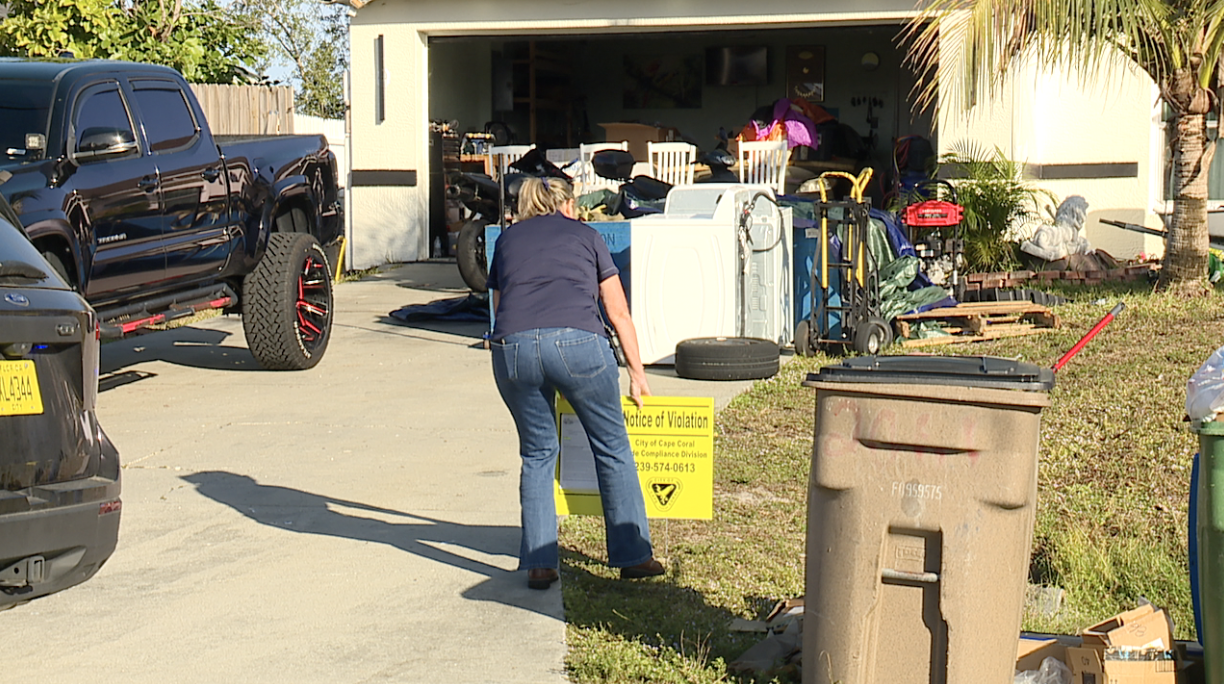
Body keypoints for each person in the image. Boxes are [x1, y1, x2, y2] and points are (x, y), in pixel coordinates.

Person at [486, 176, 665, 590]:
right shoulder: (587, 236)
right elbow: (618, 311)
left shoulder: (507, 240)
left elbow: (499, 309)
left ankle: (540, 561)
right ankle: (633, 556)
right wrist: (637, 375)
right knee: (612, 447)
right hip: (578, 342)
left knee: (537, 453)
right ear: (567, 206)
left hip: (512, 349)